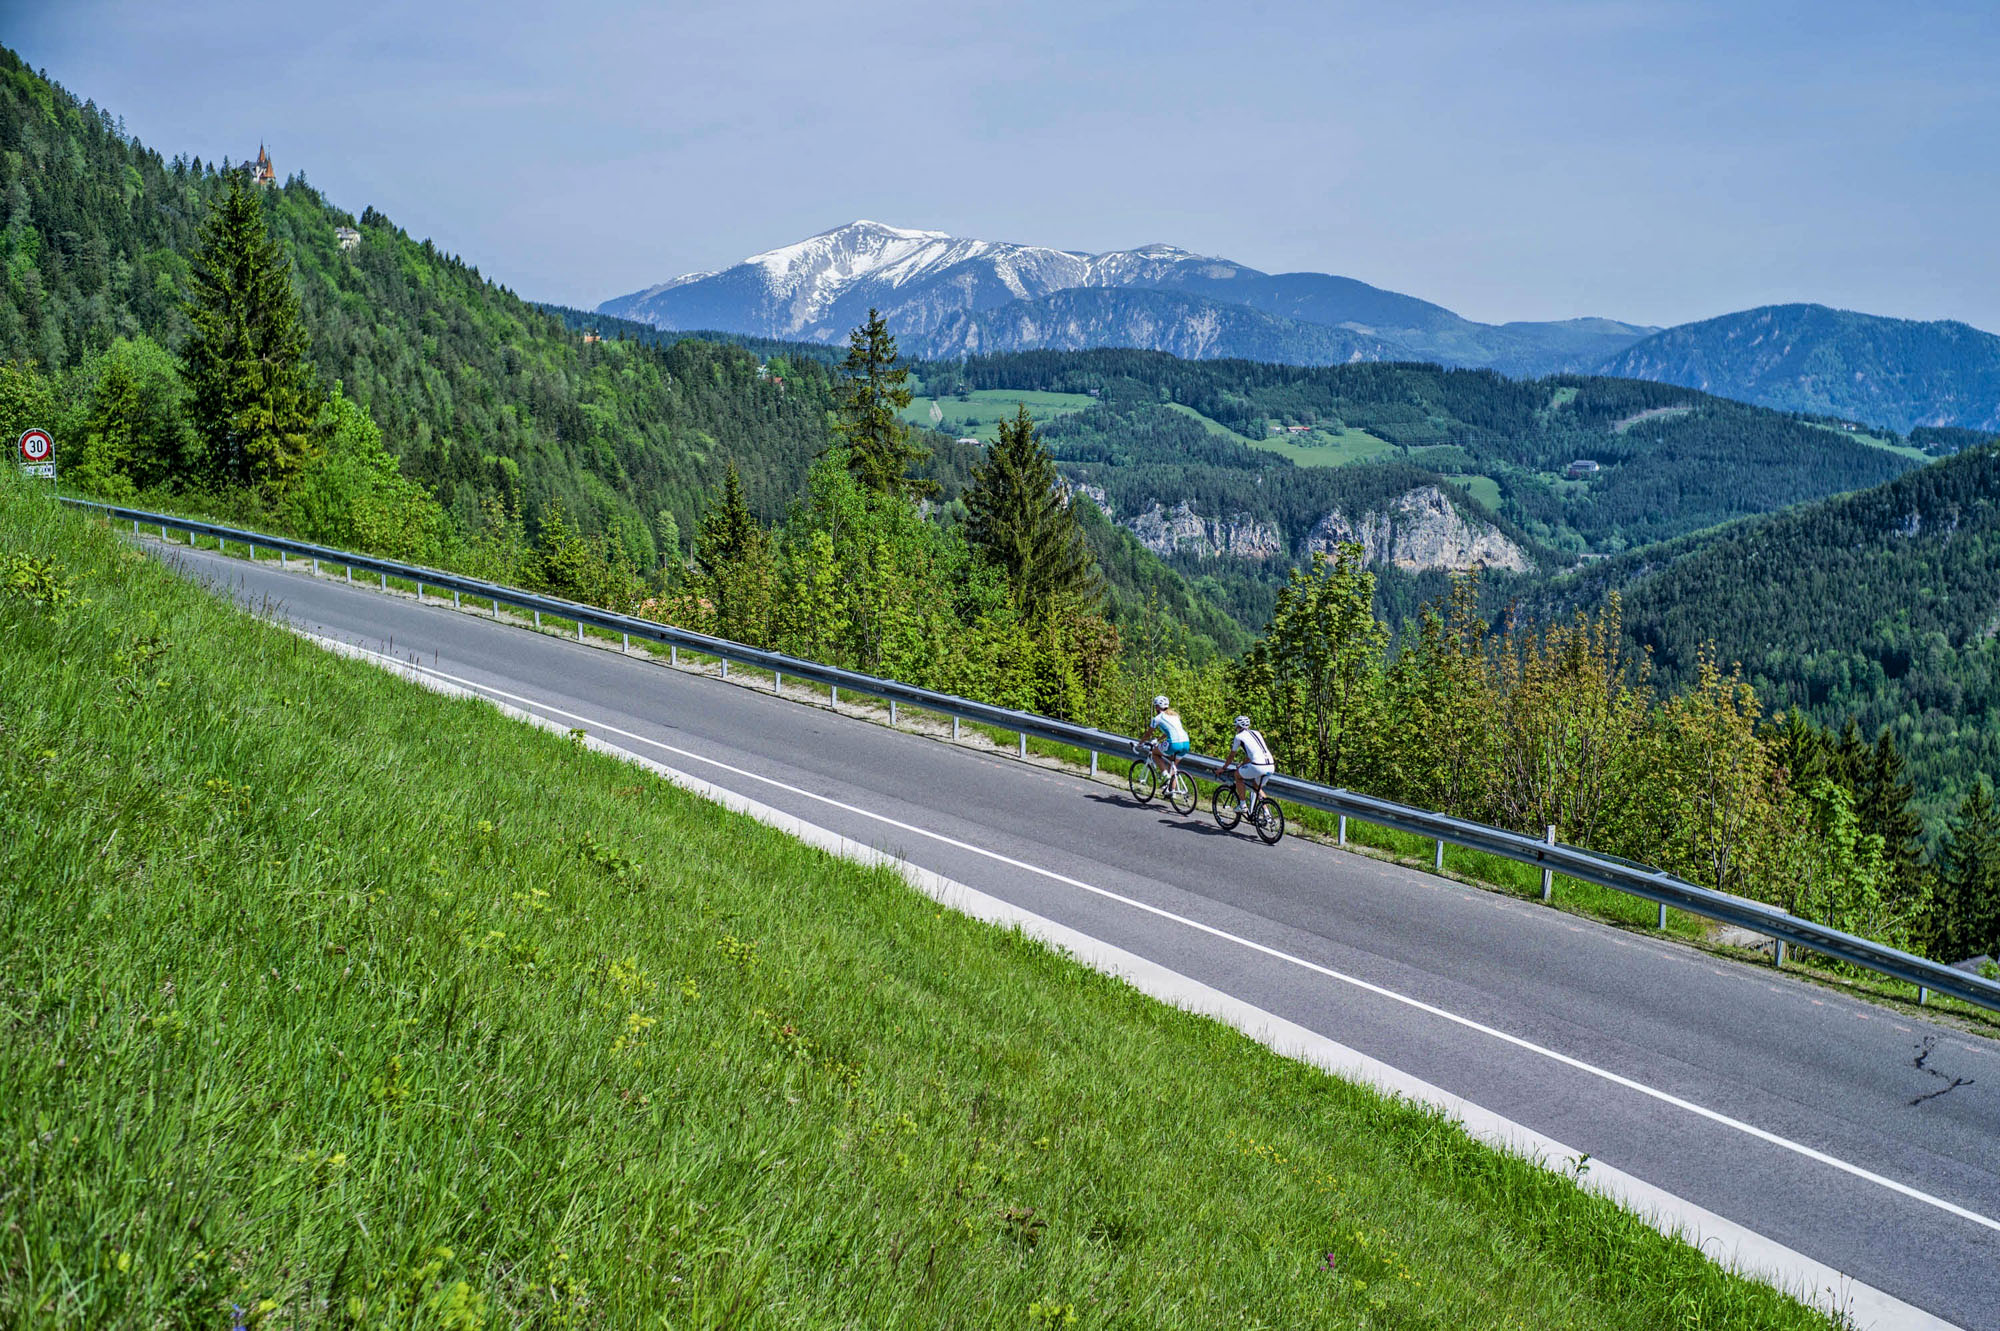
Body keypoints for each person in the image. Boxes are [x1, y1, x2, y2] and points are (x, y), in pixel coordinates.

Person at [1221, 714, 1275, 806]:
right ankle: (1267, 815)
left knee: (1237, 775)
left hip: (1258, 766)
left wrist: (1223, 768)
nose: (1235, 729)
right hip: (1271, 766)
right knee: (1256, 787)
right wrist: (1242, 764)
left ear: (1238, 726)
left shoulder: (1239, 737)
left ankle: (1242, 805)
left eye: (1236, 727)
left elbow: (1231, 756)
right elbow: (1252, 755)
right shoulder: (1256, 733)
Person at [1144, 695, 1191, 778]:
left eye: (1155, 706)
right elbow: (1168, 732)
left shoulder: (1157, 718)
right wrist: (1158, 739)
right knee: (1172, 768)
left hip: (1174, 743)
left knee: (1154, 753)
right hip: (1186, 742)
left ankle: (1165, 776)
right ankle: (1172, 790)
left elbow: (1148, 734)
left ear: (1158, 707)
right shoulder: (1175, 716)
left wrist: (1140, 744)